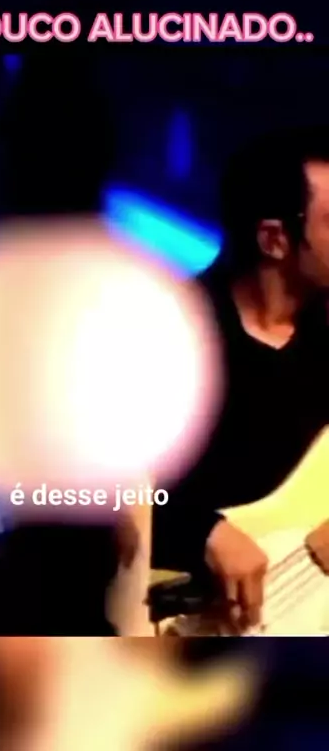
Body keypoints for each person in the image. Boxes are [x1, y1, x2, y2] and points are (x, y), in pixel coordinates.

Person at [152, 125, 329, 631]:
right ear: (275, 239)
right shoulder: (165, 334)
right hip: (172, 620)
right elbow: (84, 493)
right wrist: (202, 532)